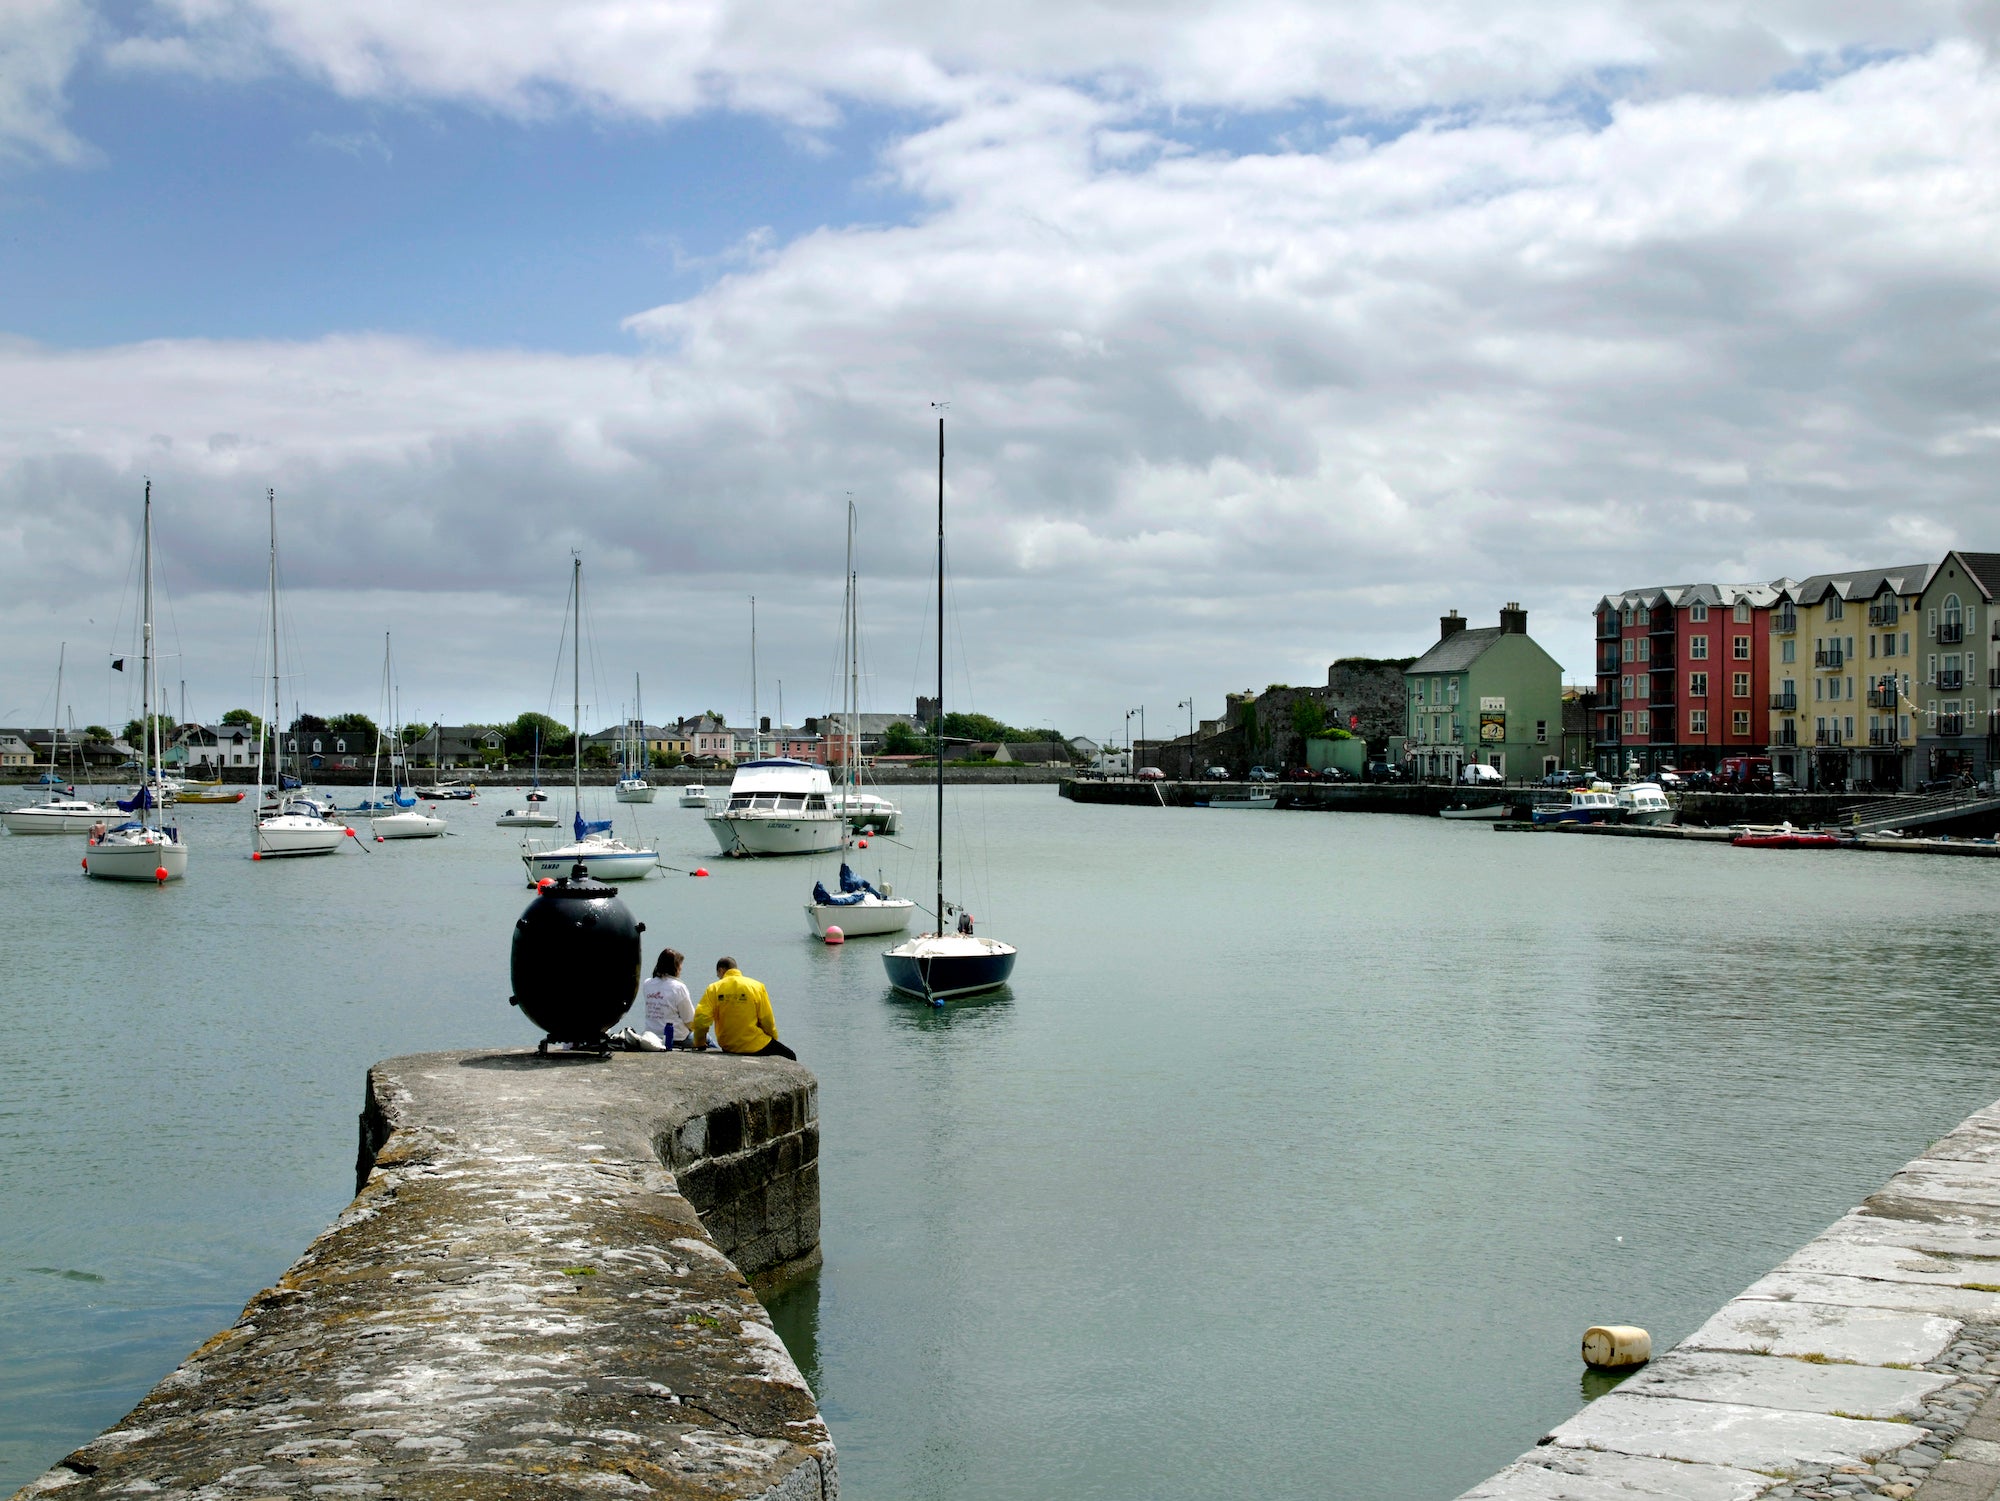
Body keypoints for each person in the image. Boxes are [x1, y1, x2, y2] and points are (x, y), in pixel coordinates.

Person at [690, 957, 797, 1059]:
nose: (719, 977)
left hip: (728, 1046)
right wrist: (773, 1038)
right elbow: (767, 1019)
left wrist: (700, 1043)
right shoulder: (757, 986)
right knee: (791, 1056)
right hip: (755, 1044)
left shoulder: (713, 988)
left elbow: (701, 1019)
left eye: (718, 975)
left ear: (721, 970)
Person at [641, 948, 695, 1048]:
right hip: (676, 1038)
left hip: (651, 1036)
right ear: (675, 967)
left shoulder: (647, 984)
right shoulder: (678, 987)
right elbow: (689, 1020)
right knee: (706, 1040)